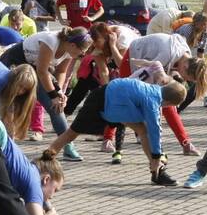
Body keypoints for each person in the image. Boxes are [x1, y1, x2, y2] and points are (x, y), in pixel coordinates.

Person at [47, 77, 186, 186]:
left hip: (115, 102)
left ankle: (157, 172)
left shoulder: (154, 90)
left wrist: (156, 157)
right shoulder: (153, 102)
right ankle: (45, 159)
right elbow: (155, 131)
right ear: (168, 102)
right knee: (71, 134)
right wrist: (156, 155)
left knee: (142, 130)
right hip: (101, 102)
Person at [100, 32, 207, 161]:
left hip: (149, 65)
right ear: (185, 67)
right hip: (133, 59)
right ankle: (107, 138)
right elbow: (146, 74)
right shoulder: (166, 55)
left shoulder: (186, 57)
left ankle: (185, 143)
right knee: (122, 102)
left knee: (169, 105)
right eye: (187, 77)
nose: (184, 79)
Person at [0, 27, 93, 161]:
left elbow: (60, 72)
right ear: (73, 45)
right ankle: (6, 146)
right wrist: (53, 95)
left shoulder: (69, 51)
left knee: (57, 107)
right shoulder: (51, 41)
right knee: (9, 105)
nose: (82, 56)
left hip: (34, 69)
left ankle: (68, 146)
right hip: (13, 63)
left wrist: (59, 93)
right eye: (82, 53)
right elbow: (42, 72)